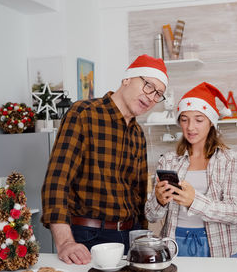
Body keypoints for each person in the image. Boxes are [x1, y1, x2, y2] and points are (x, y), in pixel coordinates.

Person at [41, 54, 168, 265]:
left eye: (158, 94)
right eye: (148, 86)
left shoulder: (137, 133)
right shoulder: (83, 114)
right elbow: (57, 181)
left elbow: (138, 197)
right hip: (88, 237)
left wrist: (142, 236)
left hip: (130, 238)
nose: (151, 97)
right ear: (127, 79)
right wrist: (64, 242)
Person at [145, 82, 237, 258]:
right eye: (184, 119)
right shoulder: (168, 160)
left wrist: (193, 201)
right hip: (175, 245)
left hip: (220, 246)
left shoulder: (231, 159)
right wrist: (159, 201)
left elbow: (235, 212)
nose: (190, 127)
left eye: (199, 119)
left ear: (211, 122)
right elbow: (151, 215)